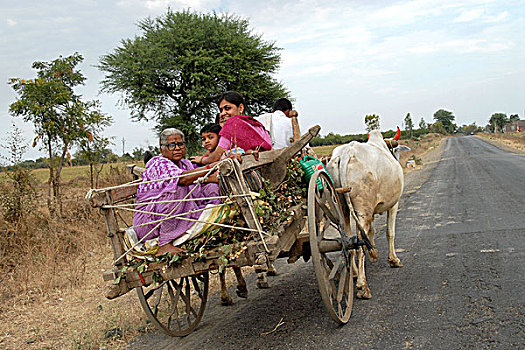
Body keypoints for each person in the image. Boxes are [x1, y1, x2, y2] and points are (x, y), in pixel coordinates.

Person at [133, 128, 221, 256]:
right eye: (172, 145)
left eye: (180, 144)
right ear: (162, 149)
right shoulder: (158, 163)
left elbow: (202, 180)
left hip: (178, 215)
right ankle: (164, 243)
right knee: (177, 188)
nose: (177, 148)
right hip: (149, 222)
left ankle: (212, 220)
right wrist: (212, 166)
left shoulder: (185, 164)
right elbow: (182, 180)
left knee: (210, 186)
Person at [190, 91, 272, 164]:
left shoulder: (233, 123)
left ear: (240, 108)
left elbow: (215, 157)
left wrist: (201, 159)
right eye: (221, 110)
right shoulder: (257, 124)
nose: (222, 113)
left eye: (227, 108)